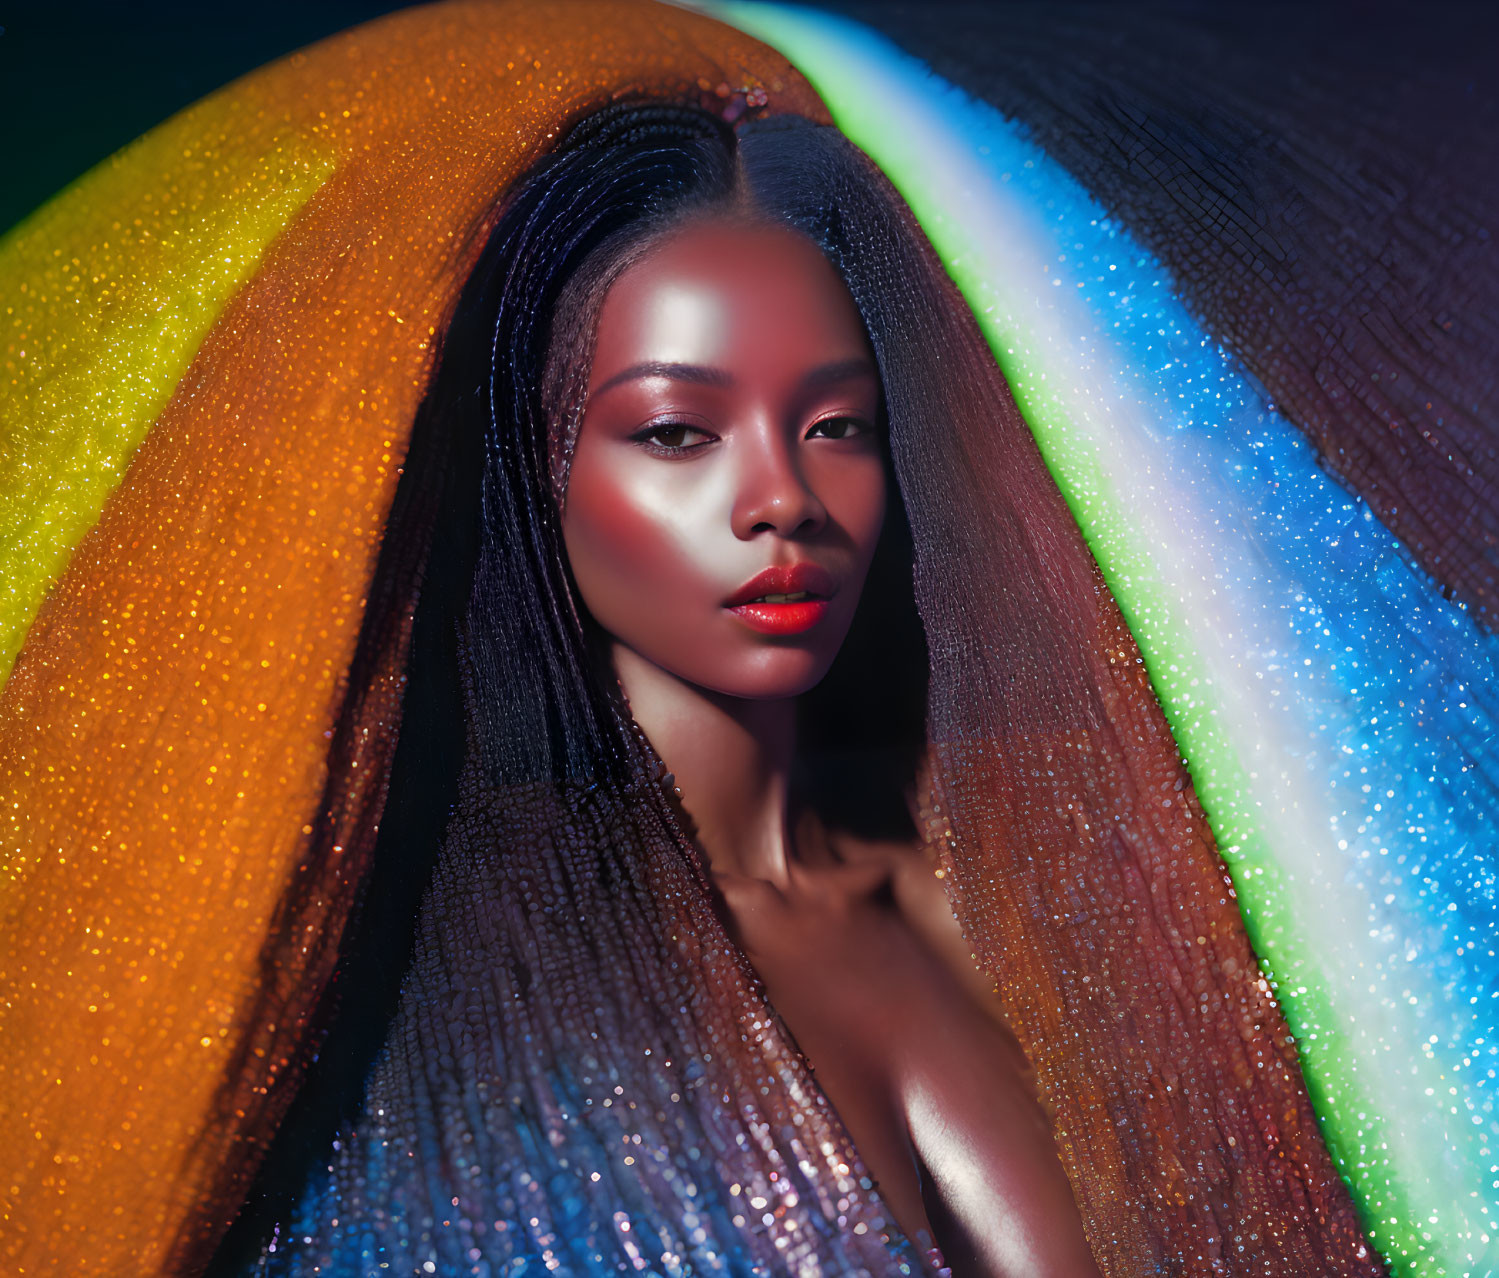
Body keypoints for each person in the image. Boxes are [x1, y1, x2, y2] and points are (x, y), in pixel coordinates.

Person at [215, 98, 1373, 1278]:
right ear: (539, 460)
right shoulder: (435, 985)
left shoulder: (1073, 866)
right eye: (675, 431)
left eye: (834, 424)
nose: (781, 498)